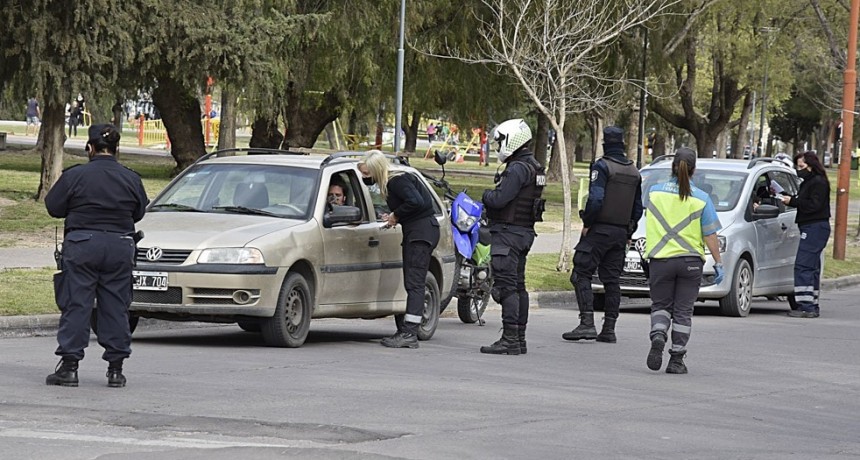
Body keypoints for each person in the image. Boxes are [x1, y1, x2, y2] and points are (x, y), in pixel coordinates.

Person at [44, 124, 149, 387]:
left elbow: (53, 207)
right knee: (116, 306)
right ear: (116, 149)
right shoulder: (131, 178)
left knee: (77, 304)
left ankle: (69, 368)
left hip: (82, 245)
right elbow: (139, 212)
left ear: (90, 148)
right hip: (119, 246)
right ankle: (116, 370)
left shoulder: (75, 175)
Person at [643, 147, 723, 374]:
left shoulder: (653, 193)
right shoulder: (702, 198)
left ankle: (659, 334)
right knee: (683, 311)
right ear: (694, 170)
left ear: (672, 167)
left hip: (660, 260)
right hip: (690, 263)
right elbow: (710, 234)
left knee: (660, 305)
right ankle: (676, 359)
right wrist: (718, 263)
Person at [564, 126, 643, 343]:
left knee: (580, 273)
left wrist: (588, 223)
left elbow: (596, 199)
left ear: (605, 144)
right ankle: (609, 329)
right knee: (612, 280)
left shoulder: (602, 166)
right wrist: (629, 230)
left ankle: (587, 323)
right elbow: (638, 208)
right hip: (620, 233)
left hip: (599, 230)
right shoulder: (634, 172)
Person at [359, 150, 440, 348]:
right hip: (420, 231)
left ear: (377, 170)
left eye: (367, 173)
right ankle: (406, 329)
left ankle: (409, 333)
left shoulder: (396, 181)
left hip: (420, 233)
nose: (364, 177)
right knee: (412, 282)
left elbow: (416, 202)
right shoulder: (396, 180)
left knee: (414, 283)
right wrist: (395, 216)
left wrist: (396, 215)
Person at [480, 118, 546, 355]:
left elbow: (499, 199)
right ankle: (519, 338)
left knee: (507, 288)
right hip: (523, 232)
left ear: (512, 140)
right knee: (518, 286)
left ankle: (510, 339)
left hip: (509, 234)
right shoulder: (534, 166)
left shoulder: (517, 168)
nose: (499, 147)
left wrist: (485, 195)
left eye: (501, 142)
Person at [779, 151, 831, 318]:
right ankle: (811, 304)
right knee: (812, 267)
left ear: (811, 166)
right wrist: (790, 198)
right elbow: (806, 201)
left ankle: (806, 306)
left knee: (803, 266)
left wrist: (792, 201)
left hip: (815, 227)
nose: (798, 169)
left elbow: (813, 205)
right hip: (811, 227)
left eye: (801, 166)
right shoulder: (809, 182)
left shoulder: (818, 182)